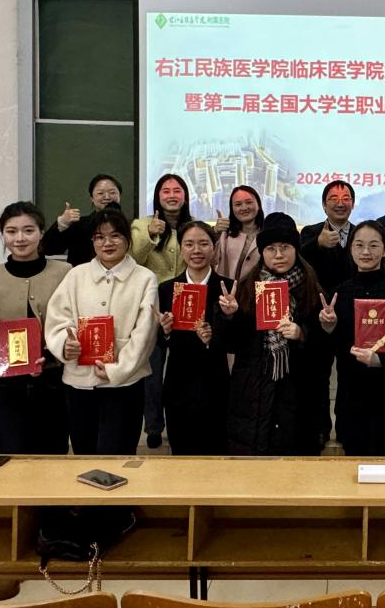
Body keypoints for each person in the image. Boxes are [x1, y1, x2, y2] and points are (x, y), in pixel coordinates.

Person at [45, 207, 158, 455]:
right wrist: (64, 344)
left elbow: (145, 332)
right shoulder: (76, 275)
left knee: (118, 456)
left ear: (128, 239)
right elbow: (57, 318)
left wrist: (116, 370)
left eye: (115, 235)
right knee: (84, 454)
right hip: (78, 382)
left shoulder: (145, 278)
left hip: (125, 383)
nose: (107, 243)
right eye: (99, 237)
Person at [0, 202, 72, 454]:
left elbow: (71, 322)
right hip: (4, 382)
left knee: (52, 451)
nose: (20, 238)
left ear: (41, 232)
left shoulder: (65, 272)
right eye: (11, 231)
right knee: (10, 452)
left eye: (28, 230)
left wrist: (51, 355)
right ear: (2, 234)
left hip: (53, 376)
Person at [225, 213, 325, 455]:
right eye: (270, 248)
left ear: (296, 249)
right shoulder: (246, 288)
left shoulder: (312, 288)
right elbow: (232, 343)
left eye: (285, 247)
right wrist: (231, 316)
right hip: (253, 395)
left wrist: (302, 334)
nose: (278, 255)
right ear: (262, 252)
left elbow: (326, 348)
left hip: (299, 396)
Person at [319, 220, 385, 456]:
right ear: (350, 249)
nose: (366, 252)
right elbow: (333, 349)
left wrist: (380, 360)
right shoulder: (341, 293)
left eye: (373, 245)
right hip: (352, 397)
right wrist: (329, 327)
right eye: (359, 245)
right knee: (355, 465)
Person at [153, 221, 238, 455]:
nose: (196, 250)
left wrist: (223, 324)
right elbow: (158, 343)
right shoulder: (167, 289)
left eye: (203, 244)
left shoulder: (228, 289)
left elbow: (237, 342)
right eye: (189, 244)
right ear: (181, 249)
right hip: (178, 387)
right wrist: (165, 331)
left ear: (214, 248)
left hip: (216, 386)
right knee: (181, 457)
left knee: (217, 455)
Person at [131, 173, 192, 450]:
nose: (171, 195)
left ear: (185, 196)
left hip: (186, 304)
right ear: (157, 196)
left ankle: (181, 419)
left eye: (177, 190)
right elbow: (132, 259)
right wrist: (151, 235)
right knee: (152, 371)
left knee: (183, 368)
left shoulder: (194, 226)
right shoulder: (141, 225)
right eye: (166, 191)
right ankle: (154, 426)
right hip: (153, 304)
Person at [299, 179, 358, 449]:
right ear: (324, 205)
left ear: (353, 204)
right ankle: (320, 429)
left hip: (352, 318)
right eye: (333, 198)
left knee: (349, 375)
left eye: (346, 198)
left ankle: (346, 428)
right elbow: (298, 261)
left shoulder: (360, 234)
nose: (340, 202)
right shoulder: (310, 233)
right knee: (317, 376)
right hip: (317, 316)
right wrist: (318, 244)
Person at [42, 173, 123, 267]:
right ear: (92, 198)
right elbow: (48, 249)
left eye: (112, 192)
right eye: (100, 193)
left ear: (119, 196)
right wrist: (62, 224)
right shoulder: (78, 225)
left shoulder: (131, 226)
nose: (107, 197)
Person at [214, 185, 263, 281]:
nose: (244, 208)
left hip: (257, 289)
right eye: (238, 204)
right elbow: (211, 261)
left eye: (249, 202)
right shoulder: (224, 234)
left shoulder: (268, 234)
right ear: (232, 209)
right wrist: (215, 233)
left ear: (258, 205)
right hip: (226, 289)